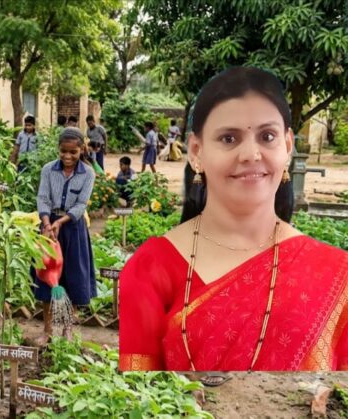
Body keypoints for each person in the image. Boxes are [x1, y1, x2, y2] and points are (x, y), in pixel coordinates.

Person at [118, 66, 348, 376]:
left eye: (267, 136)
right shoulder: (151, 268)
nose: (251, 154)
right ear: (196, 152)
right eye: (229, 138)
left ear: (288, 147)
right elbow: (133, 400)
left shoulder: (336, 275)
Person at [32, 127, 97, 344]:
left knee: (72, 277)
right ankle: (48, 330)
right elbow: (43, 198)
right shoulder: (48, 170)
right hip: (48, 228)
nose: (67, 157)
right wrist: (47, 223)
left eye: (73, 152)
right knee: (46, 276)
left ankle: (67, 329)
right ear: (58, 149)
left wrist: (61, 221)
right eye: (63, 151)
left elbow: (81, 205)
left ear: (81, 150)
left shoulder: (88, 173)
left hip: (73, 228)